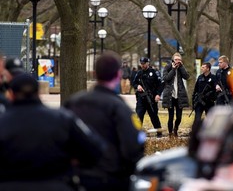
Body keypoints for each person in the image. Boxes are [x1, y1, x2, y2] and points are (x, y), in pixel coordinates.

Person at [0, 73, 106, 191]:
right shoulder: (62, 118)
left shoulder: (3, 122)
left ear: (11, 95)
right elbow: (95, 148)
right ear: (38, 93)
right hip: (57, 183)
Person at [64, 51, 145, 191]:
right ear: (118, 74)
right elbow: (133, 147)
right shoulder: (119, 108)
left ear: (95, 73)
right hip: (110, 178)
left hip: (77, 177)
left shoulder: (73, 103)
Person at [133, 56, 163, 137]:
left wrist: (158, 94)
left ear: (148, 63)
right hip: (141, 99)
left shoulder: (154, 72)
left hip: (151, 99)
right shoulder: (139, 73)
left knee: (154, 116)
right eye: (141, 63)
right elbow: (134, 83)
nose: (142, 65)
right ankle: (136, 133)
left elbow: (160, 85)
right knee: (138, 116)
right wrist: (137, 86)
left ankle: (159, 132)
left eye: (144, 63)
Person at [162, 52, 190, 137]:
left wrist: (181, 67)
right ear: (173, 60)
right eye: (176, 59)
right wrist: (173, 69)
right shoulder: (167, 67)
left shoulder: (181, 68)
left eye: (179, 60)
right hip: (170, 95)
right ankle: (170, 133)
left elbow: (187, 77)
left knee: (179, 117)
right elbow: (166, 78)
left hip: (179, 95)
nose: (177, 61)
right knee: (170, 116)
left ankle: (175, 129)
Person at [191, 62, 217, 137]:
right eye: (201, 67)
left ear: (208, 68)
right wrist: (193, 101)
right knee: (197, 119)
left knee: (210, 119)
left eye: (203, 67)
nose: (201, 68)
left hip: (209, 102)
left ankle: (210, 133)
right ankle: (195, 134)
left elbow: (215, 90)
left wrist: (210, 96)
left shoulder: (213, 77)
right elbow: (195, 90)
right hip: (199, 102)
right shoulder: (199, 77)